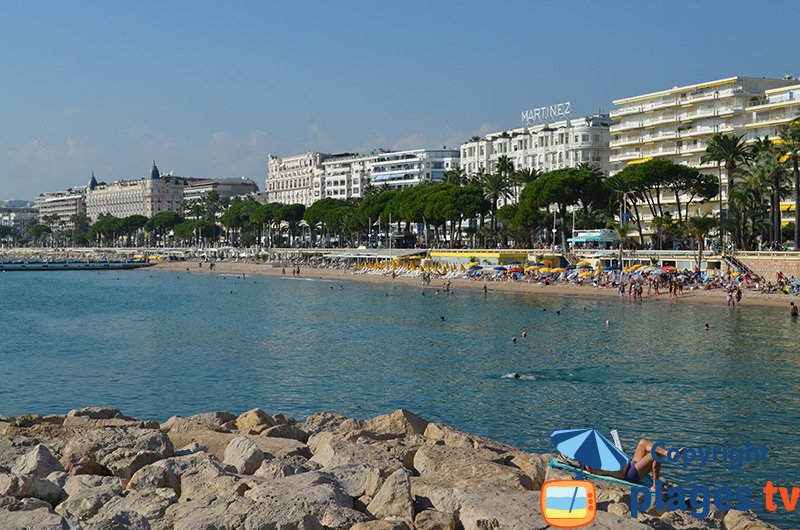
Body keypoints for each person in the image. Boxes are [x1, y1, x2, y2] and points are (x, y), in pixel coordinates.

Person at [577, 438, 680, 487]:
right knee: (656, 454)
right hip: (631, 474)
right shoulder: (592, 466)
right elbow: (620, 474)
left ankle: (668, 453)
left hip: (631, 465)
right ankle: (655, 485)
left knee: (643, 442)